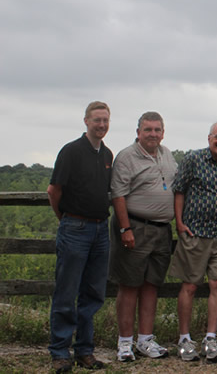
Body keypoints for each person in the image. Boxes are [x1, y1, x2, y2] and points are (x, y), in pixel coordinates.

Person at [46, 101, 113, 373]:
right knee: (66, 292)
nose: (101, 125)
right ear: (86, 121)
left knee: (93, 294)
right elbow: (54, 191)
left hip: (100, 230)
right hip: (75, 227)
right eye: (97, 120)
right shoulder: (71, 151)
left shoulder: (107, 154)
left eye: (105, 120)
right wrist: (65, 218)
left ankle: (85, 350)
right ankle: (60, 352)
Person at [169, 122, 217, 363]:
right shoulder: (193, 159)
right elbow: (179, 190)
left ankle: (211, 338)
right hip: (195, 232)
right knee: (190, 286)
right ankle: (184, 338)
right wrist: (179, 223)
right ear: (209, 137)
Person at [109, 111, 177, 362]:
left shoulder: (166, 154)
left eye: (157, 130)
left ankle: (145, 339)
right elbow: (118, 194)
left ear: (163, 132)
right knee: (129, 285)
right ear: (138, 132)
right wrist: (125, 229)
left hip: (161, 230)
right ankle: (125, 343)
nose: (153, 134)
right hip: (135, 227)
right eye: (148, 130)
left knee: (151, 285)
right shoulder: (127, 157)